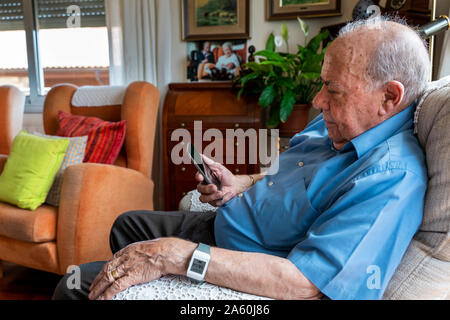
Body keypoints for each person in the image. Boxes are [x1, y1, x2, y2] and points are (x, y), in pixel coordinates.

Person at [53, 16, 431, 300]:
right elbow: (287, 170)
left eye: (332, 90)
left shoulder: (392, 178)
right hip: (231, 224)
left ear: (389, 98)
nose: (317, 101)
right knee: (126, 226)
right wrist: (242, 183)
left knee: (75, 286)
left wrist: (177, 257)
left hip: (248, 264)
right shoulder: (338, 123)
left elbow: (306, 283)